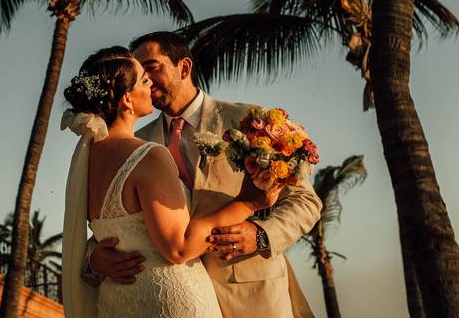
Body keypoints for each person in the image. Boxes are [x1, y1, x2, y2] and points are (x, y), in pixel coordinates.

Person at [86, 32, 322, 318]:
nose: (145, 79)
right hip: (175, 299)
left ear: (184, 68)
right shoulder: (136, 143)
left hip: (253, 295)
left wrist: (262, 235)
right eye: (139, 72)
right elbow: (122, 219)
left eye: (151, 67)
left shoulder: (249, 121)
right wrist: (93, 257)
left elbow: (306, 201)